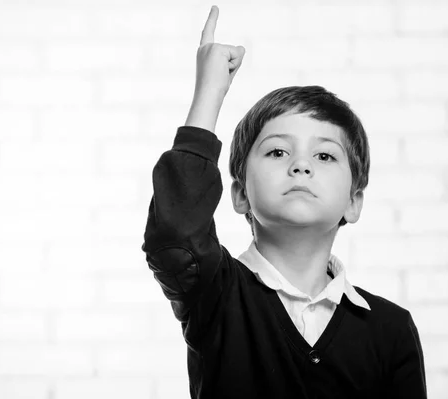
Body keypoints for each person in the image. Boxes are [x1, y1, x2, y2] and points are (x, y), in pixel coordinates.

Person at [141, 5, 427, 399]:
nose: (301, 166)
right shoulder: (216, 293)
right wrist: (210, 91)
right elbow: (176, 233)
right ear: (240, 194)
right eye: (277, 152)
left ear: (354, 203)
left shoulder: (391, 329)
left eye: (324, 156)